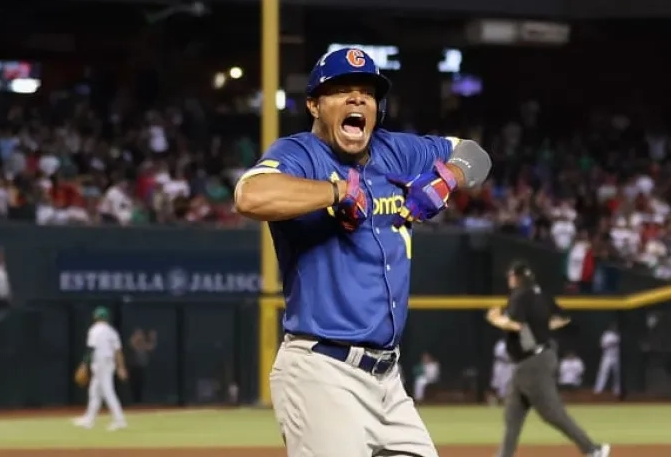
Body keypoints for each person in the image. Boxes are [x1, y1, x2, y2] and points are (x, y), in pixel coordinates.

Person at [234, 46, 492, 457]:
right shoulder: (299, 154)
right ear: (314, 105)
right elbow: (249, 195)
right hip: (322, 372)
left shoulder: (399, 151)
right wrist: (334, 192)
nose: (357, 99)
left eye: (366, 93)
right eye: (341, 91)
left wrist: (447, 178)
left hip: (388, 381)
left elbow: (475, 153)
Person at [486, 261, 610, 457]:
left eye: (511, 276)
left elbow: (517, 325)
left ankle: (592, 449)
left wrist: (496, 319)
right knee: (512, 417)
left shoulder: (520, 296)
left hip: (532, 363)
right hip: (533, 359)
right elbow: (562, 318)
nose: (509, 279)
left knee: (552, 413)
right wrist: (539, 330)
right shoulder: (540, 294)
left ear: (517, 277)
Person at [72, 306, 128, 431]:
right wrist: (121, 368)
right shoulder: (112, 331)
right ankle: (89, 419)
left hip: (100, 362)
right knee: (94, 392)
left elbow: (91, 349)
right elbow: (118, 351)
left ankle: (120, 420)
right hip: (109, 363)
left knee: (107, 391)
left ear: (96, 317)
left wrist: (84, 364)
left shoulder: (95, 330)